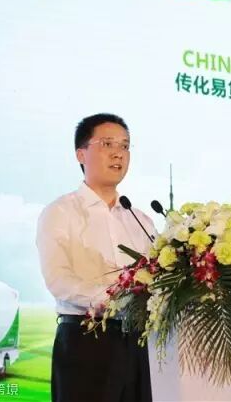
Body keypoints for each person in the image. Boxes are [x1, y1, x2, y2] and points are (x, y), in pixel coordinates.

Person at [37, 113, 155, 402]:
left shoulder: (141, 221)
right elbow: (58, 279)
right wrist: (112, 298)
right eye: (107, 144)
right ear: (81, 154)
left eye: (125, 146)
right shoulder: (60, 212)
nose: (119, 153)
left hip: (137, 344)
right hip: (86, 342)